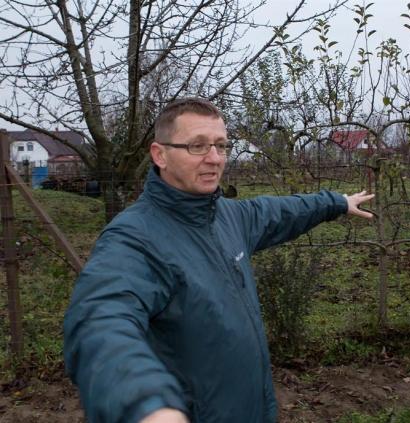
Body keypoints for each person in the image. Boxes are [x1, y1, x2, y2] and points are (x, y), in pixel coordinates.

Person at [63, 98, 374, 423]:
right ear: (160, 155)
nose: (214, 159)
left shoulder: (227, 216)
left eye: (221, 146)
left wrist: (336, 202)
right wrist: (144, 404)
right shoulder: (136, 239)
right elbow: (100, 320)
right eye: (197, 146)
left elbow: (281, 213)